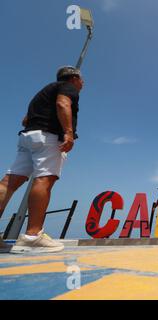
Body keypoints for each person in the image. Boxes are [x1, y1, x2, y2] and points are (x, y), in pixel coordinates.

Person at [0, 66, 83, 253]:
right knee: (44, 180)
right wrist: (68, 132)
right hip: (48, 138)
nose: (82, 83)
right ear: (74, 78)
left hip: (27, 137)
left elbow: (25, 120)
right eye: (81, 80)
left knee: (9, 182)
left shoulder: (42, 93)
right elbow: (63, 104)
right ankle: (32, 236)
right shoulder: (67, 88)